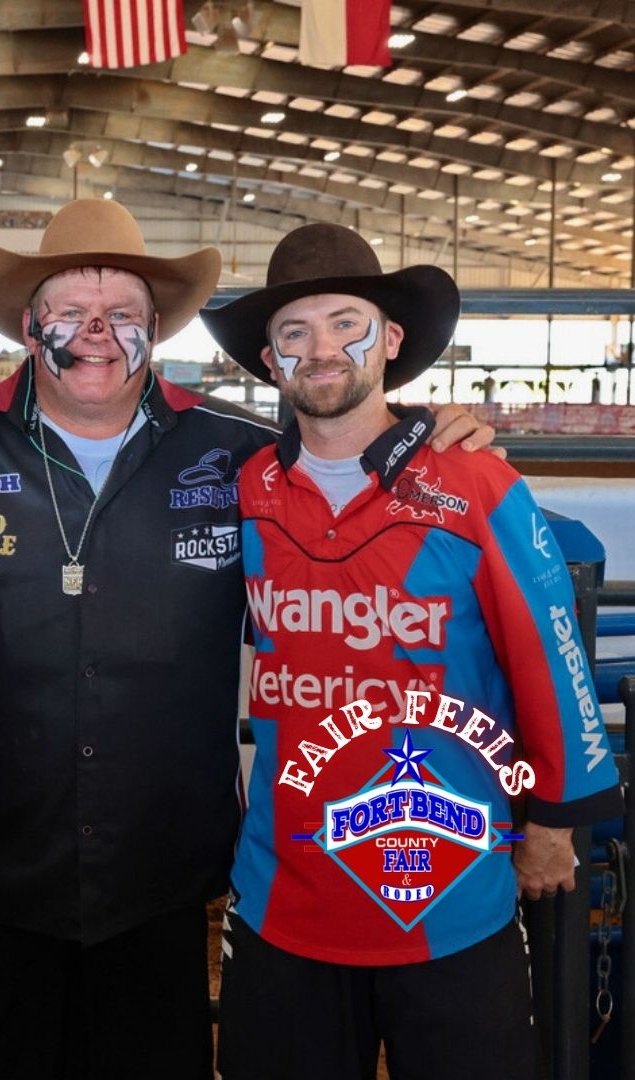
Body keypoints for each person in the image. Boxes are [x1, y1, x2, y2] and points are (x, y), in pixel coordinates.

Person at [0, 200, 495, 1080]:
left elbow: (353, 438)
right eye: (70, 311)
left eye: (124, 316)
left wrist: (432, 439)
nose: (96, 335)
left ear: (157, 332)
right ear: (31, 326)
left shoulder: (245, 451)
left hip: (161, 889)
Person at [202, 223, 623, 1080]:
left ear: (391, 340)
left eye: (345, 323)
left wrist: (552, 821)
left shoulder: (475, 482)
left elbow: (552, 654)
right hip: (285, 896)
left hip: (451, 891)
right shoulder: (244, 490)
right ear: (271, 359)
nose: (322, 349)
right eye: (294, 332)